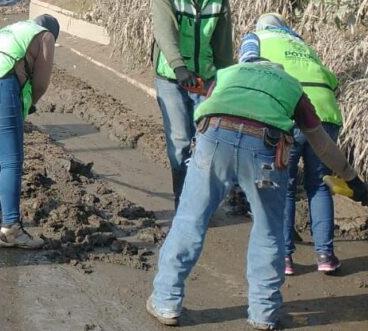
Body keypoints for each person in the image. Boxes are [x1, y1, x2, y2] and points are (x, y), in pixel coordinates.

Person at [147, 54, 367, 330]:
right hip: (265, 149)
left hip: (215, 138)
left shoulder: (228, 74)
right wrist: (353, 181)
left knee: (189, 221)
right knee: (268, 231)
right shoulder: (291, 86)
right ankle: (263, 314)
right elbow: (321, 144)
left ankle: (166, 302)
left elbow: (203, 110)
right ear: (276, 70)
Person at [240, 13, 343, 275]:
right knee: (320, 185)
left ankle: (284, 257)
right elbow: (332, 82)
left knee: (284, 186)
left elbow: (247, 67)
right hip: (326, 115)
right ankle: (325, 256)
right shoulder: (303, 45)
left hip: (289, 113)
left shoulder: (256, 38)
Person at [0, 15, 59, 249]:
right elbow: (41, 83)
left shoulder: (10, 29)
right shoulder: (45, 36)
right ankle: (11, 230)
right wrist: (27, 106)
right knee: (11, 162)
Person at [151, 0, 234, 205]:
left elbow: (223, 39)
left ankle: (200, 197)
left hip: (205, 76)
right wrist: (179, 67)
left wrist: (225, 77)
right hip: (172, 76)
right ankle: (182, 200)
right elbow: (164, 30)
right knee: (180, 140)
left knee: (208, 139)